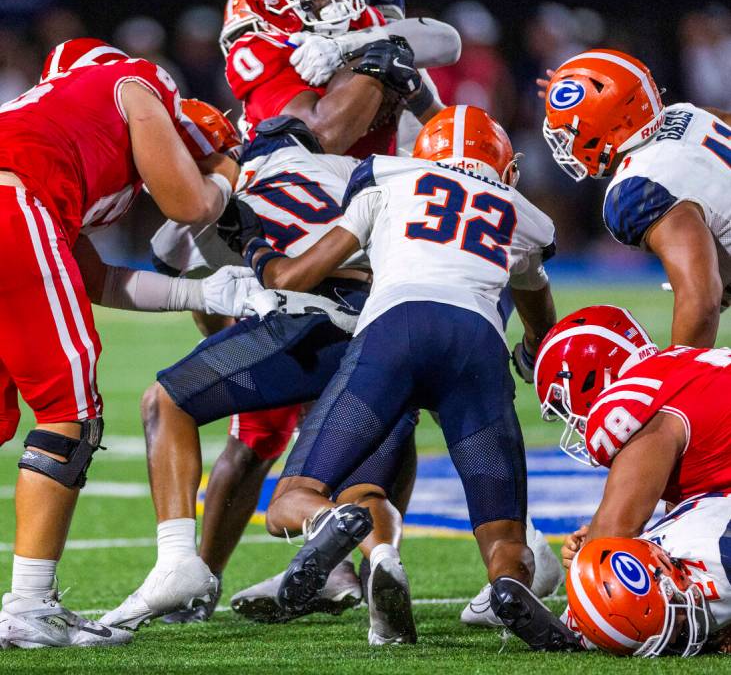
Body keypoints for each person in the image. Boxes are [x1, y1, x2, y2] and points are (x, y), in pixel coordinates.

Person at [243, 105, 577, 650]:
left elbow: (296, 275)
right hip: (477, 349)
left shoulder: (388, 177)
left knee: (289, 504)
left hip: (395, 332)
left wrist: (256, 246)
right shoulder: (523, 213)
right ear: (504, 166)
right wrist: (531, 349)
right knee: (505, 536)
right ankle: (509, 584)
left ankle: (332, 523)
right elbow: (541, 321)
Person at [0, 39, 254, 649]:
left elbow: (92, 279)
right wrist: (223, 171)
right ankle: (28, 605)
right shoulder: (134, 81)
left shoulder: (55, 130)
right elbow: (188, 201)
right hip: (11, 205)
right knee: (70, 413)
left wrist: (204, 294)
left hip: (18, 204)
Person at [101, 114, 385, 632]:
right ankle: (382, 562)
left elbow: (197, 284)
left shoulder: (208, 202)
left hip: (300, 321)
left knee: (176, 404)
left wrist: (224, 354)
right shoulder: (352, 167)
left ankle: (186, 571)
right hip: (390, 316)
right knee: (375, 444)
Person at [533, 304, 731, 655]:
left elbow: (616, 529)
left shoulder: (635, 400)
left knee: (637, 577)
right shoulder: (681, 367)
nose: (574, 423)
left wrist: (587, 581)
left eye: (565, 405)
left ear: (590, 380)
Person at [541, 48, 731, 347]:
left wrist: (678, 384)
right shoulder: (690, 114)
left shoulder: (639, 188)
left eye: (567, 132)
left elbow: (702, 301)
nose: (565, 142)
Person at [233, 0, 460, 156]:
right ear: (274, 1)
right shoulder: (262, 50)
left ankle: (435, 159)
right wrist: (375, 65)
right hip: (298, 181)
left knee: (398, 54)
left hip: (373, 174)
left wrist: (343, 47)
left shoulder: (359, 21)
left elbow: (448, 43)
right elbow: (320, 140)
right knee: (384, 57)